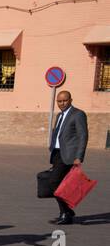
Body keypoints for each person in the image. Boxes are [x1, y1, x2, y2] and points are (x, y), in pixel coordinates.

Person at [45, 89, 88, 225]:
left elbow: (83, 136)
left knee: (53, 182)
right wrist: (52, 145)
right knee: (61, 184)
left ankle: (66, 212)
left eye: (64, 100)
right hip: (57, 153)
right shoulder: (59, 115)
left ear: (70, 100)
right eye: (59, 101)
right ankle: (65, 213)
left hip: (69, 155)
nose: (62, 103)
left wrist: (79, 156)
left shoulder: (78, 114)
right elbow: (58, 132)